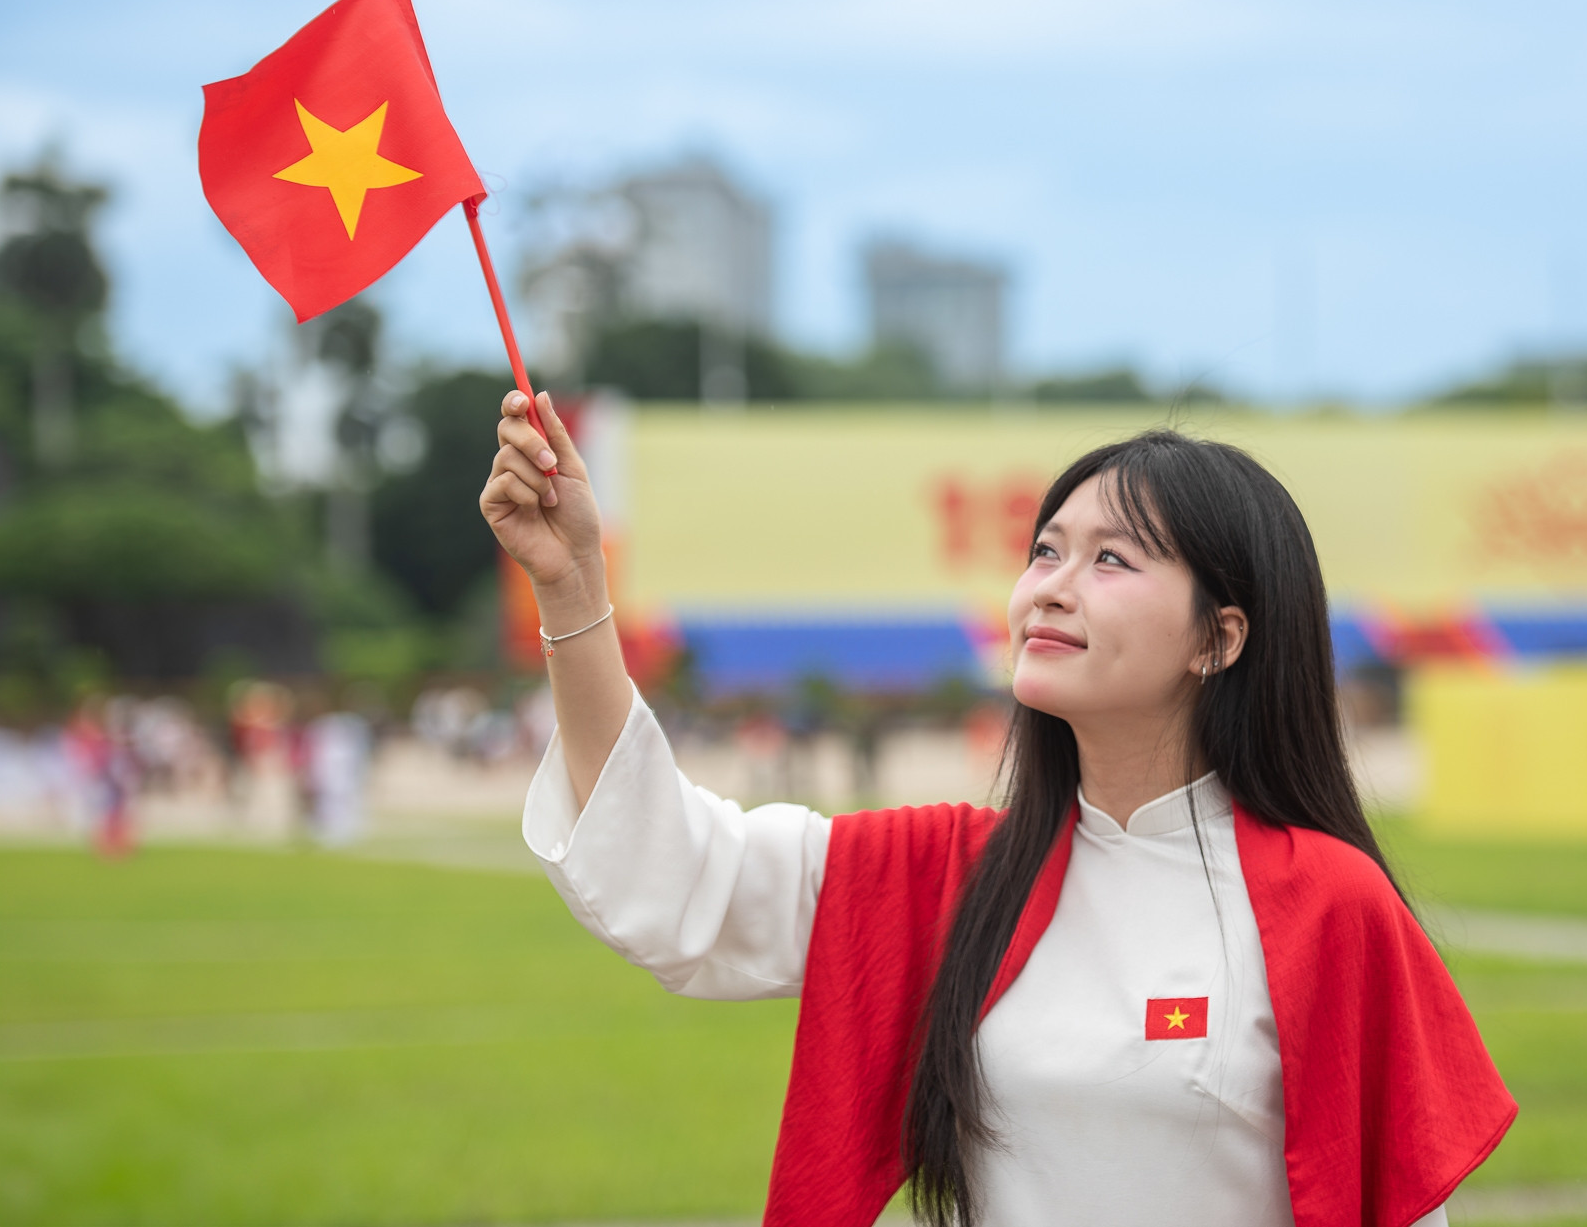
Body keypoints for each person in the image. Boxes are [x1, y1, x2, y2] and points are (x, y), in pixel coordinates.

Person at [482, 393, 1516, 1227]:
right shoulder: (942, 875)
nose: (1052, 588)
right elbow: (663, 876)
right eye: (1046, 552)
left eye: (1112, 560)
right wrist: (573, 590)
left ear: (1220, 637)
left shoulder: (1328, 904)